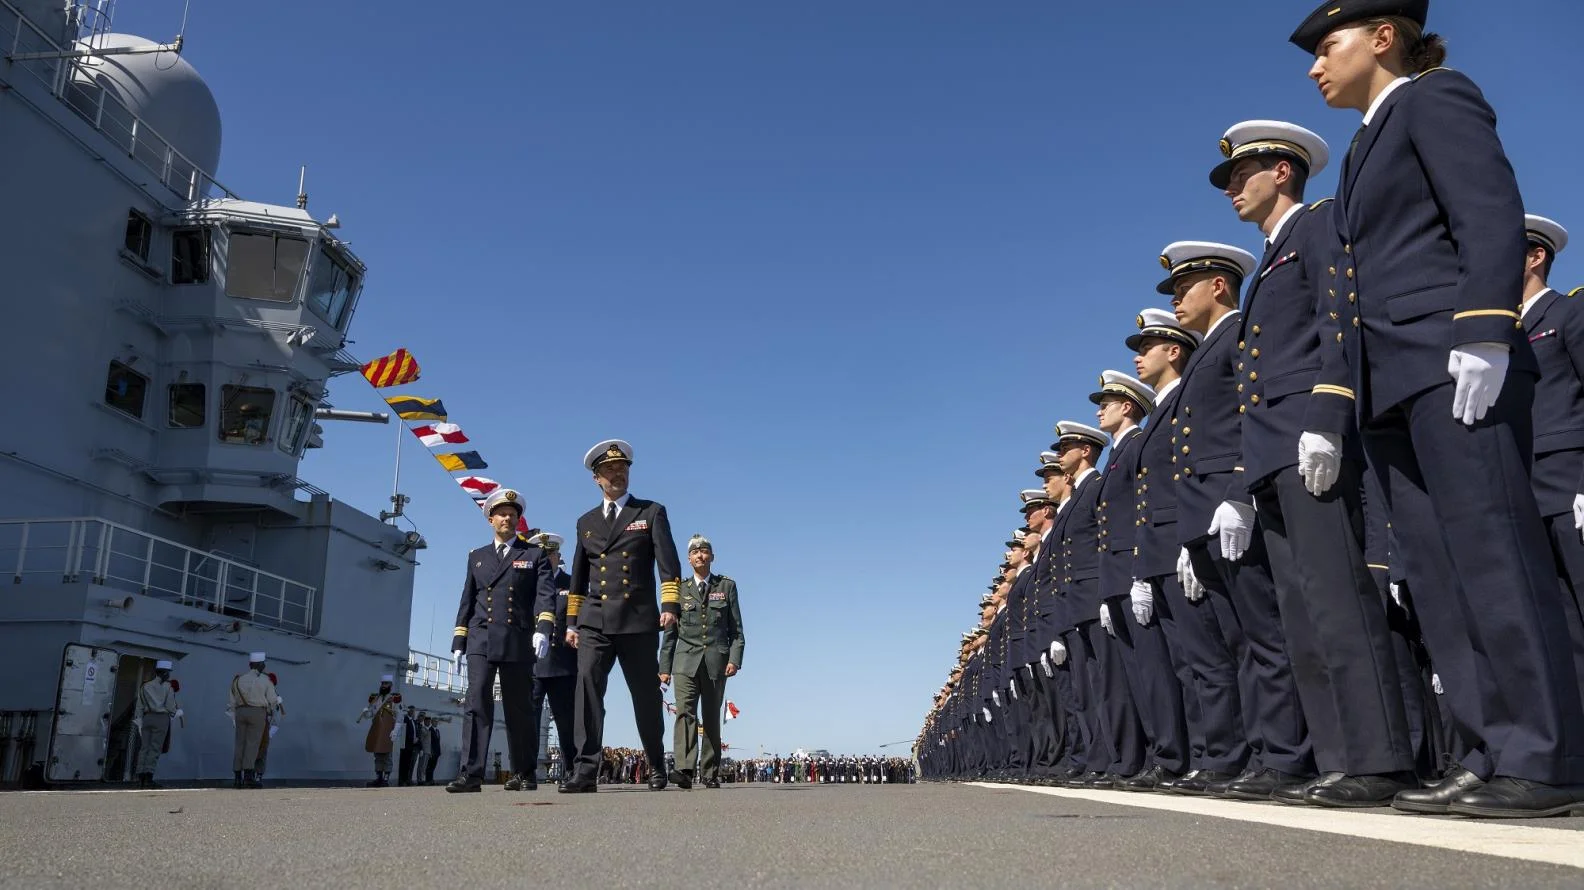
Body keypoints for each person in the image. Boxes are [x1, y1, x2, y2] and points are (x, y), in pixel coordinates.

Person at [1292, 0, 1584, 817]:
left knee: (1494, 556)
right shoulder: (1362, 147)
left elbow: (1486, 205)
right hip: (1390, 381)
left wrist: (1486, 327)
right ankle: (1490, 752)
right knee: (1440, 575)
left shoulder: (1435, 97)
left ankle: (1548, 758)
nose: (1316, 66)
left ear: (1384, 37)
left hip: (1452, 363)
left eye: (1329, 46)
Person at [1213, 120, 1418, 805]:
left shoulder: (1317, 225)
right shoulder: (1268, 261)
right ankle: (1337, 758)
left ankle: (1378, 758)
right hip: (1271, 454)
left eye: (1243, 175)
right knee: (1301, 614)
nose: (1233, 189)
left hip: (1309, 440)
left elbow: (1339, 319)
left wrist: (1328, 417)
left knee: (1339, 602)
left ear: (1283, 172)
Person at [560, 440, 683, 793]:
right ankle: (585, 770)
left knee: (646, 696)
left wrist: (670, 605)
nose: (618, 474)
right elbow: (578, 577)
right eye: (610, 470)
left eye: (622, 468)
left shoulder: (650, 512)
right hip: (594, 621)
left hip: (637, 619)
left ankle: (656, 762)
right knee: (587, 690)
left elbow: (668, 563)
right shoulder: (586, 522)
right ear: (596, 478)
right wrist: (571, 623)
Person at [448, 487, 558, 792]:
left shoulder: (533, 555)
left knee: (518, 707)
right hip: (481, 637)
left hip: (516, 638)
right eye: (501, 515)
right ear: (491, 520)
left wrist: (543, 628)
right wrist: (459, 640)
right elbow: (467, 600)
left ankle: (524, 772)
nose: (507, 519)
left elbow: (545, 596)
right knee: (476, 702)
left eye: (512, 515)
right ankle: (471, 774)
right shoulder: (477, 557)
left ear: (518, 520)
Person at [1518, 215, 1584, 695]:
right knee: (1562, 633)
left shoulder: (1568, 314)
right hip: (1527, 498)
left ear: (1535, 256)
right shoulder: (1499, 333)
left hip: (1570, 489)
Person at [660, 534, 745, 790]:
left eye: (705, 551)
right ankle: (684, 769)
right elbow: (670, 633)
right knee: (684, 713)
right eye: (695, 552)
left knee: (710, 716)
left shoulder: (726, 586)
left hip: (716, 662)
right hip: (684, 661)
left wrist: (735, 659)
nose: (700, 555)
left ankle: (709, 772)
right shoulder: (680, 589)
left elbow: (736, 630)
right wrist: (664, 668)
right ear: (689, 559)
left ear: (712, 557)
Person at [523, 532, 577, 784]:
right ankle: (526, 771)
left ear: (558, 556)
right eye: (542, 555)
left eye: (551, 554)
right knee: (529, 719)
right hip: (532, 663)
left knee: (566, 721)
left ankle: (571, 770)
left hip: (563, 664)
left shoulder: (572, 584)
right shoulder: (526, 585)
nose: (546, 559)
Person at [227, 651, 280, 789]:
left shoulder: (238, 680)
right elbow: (272, 700)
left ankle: (237, 778)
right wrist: (273, 707)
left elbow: (232, 702)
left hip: (240, 712)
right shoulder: (265, 680)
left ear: (250, 665)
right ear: (261, 665)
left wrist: (234, 716)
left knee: (239, 744)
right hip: (257, 712)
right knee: (252, 744)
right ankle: (248, 777)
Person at [134, 659, 180, 788]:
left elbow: (139, 705)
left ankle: (140, 777)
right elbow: (170, 706)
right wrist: (176, 712)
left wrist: (139, 720)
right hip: (161, 718)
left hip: (147, 718)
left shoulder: (145, 686)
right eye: (168, 672)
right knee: (155, 748)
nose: (169, 675)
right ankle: (148, 778)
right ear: (164, 673)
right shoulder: (168, 687)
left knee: (144, 748)